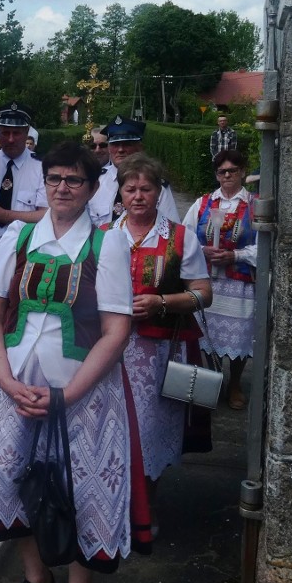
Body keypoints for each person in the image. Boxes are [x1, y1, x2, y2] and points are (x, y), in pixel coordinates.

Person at [0, 142, 136, 583]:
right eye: (55, 178)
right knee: (4, 476)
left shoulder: (109, 245)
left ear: (92, 187)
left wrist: (67, 394)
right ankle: (37, 578)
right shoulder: (19, 235)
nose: (62, 187)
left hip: (81, 391)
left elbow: (116, 329)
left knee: (81, 489)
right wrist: (4, 379)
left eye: (73, 180)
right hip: (11, 384)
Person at [108, 153, 211, 533]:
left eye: (146, 189)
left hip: (159, 353)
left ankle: (146, 507)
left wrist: (161, 302)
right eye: (130, 188)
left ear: (158, 192)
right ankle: (113, 500)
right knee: (112, 425)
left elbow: (204, 294)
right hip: (111, 351)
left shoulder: (179, 237)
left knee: (150, 431)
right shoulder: (105, 234)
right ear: (120, 192)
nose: (137, 196)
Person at [183, 149, 256, 410]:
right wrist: (203, 251)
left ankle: (235, 383)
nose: (227, 176)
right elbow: (185, 236)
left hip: (239, 283)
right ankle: (212, 380)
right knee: (206, 335)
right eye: (222, 171)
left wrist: (234, 255)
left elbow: (265, 246)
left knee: (239, 338)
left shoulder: (253, 205)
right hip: (208, 281)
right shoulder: (203, 203)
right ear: (216, 175)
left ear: (242, 172)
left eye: (232, 171)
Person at [0, 101, 47, 252]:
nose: (10, 139)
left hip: (24, 254)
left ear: (27, 131)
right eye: (5, 133)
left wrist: (3, 215)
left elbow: (46, 214)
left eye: (16, 133)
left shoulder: (42, 168)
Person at [88, 115, 179, 226]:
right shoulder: (96, 181)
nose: (120, 150)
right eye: (115, 144)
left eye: (127, 144)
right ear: (109, 148)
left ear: (139, 147)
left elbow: (172, 230)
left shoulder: (155, 184)